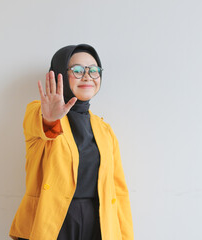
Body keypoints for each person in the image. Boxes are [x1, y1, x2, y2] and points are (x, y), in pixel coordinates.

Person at [9, 44, 134, 240]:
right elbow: (43, 127)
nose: (87, 76)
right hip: (52, 223)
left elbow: (119, 192)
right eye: (77, 70)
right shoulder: (39, 112)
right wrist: (50, 118)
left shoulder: (105, 131)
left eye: (94, 70)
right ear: (58, 73)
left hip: (99, 224)